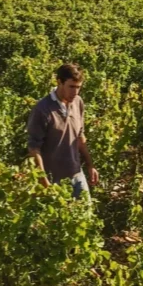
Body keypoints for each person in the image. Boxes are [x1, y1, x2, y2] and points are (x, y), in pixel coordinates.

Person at [27, 63, 98, 199]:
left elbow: (80, 137)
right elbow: (34, 149)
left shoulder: (78, 102)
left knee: (86, 217)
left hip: (77, 175)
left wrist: (90, 165)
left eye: (78, 87)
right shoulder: (42, 110)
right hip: (54, 180)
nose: (75, 92)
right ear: (59, 82)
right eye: (71, 87)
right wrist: (44, 182)